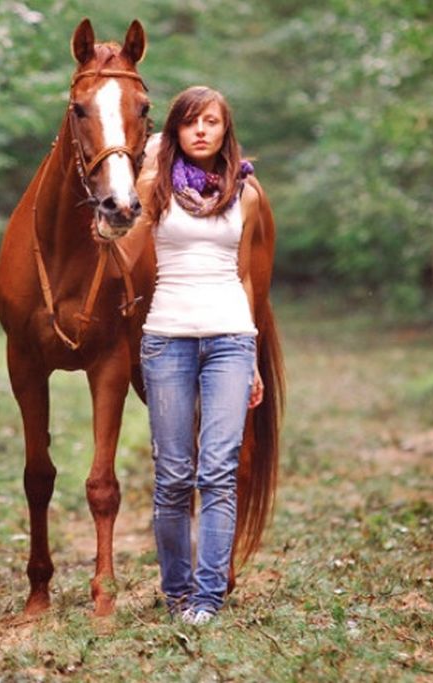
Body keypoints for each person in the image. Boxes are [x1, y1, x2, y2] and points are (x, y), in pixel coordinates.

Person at [113, 86, 267, 624]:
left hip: (230, 340)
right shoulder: (152, 188)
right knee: (174, 474)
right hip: (167, 340)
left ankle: (206, 599)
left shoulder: (243, 193)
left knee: (218, 473)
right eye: (190, 122)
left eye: (211, 122)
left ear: (226, 131)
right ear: (175, 131)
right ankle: (176, 592)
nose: (201, 131)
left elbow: (244, 274)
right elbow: (112, 236)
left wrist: (250, 355)